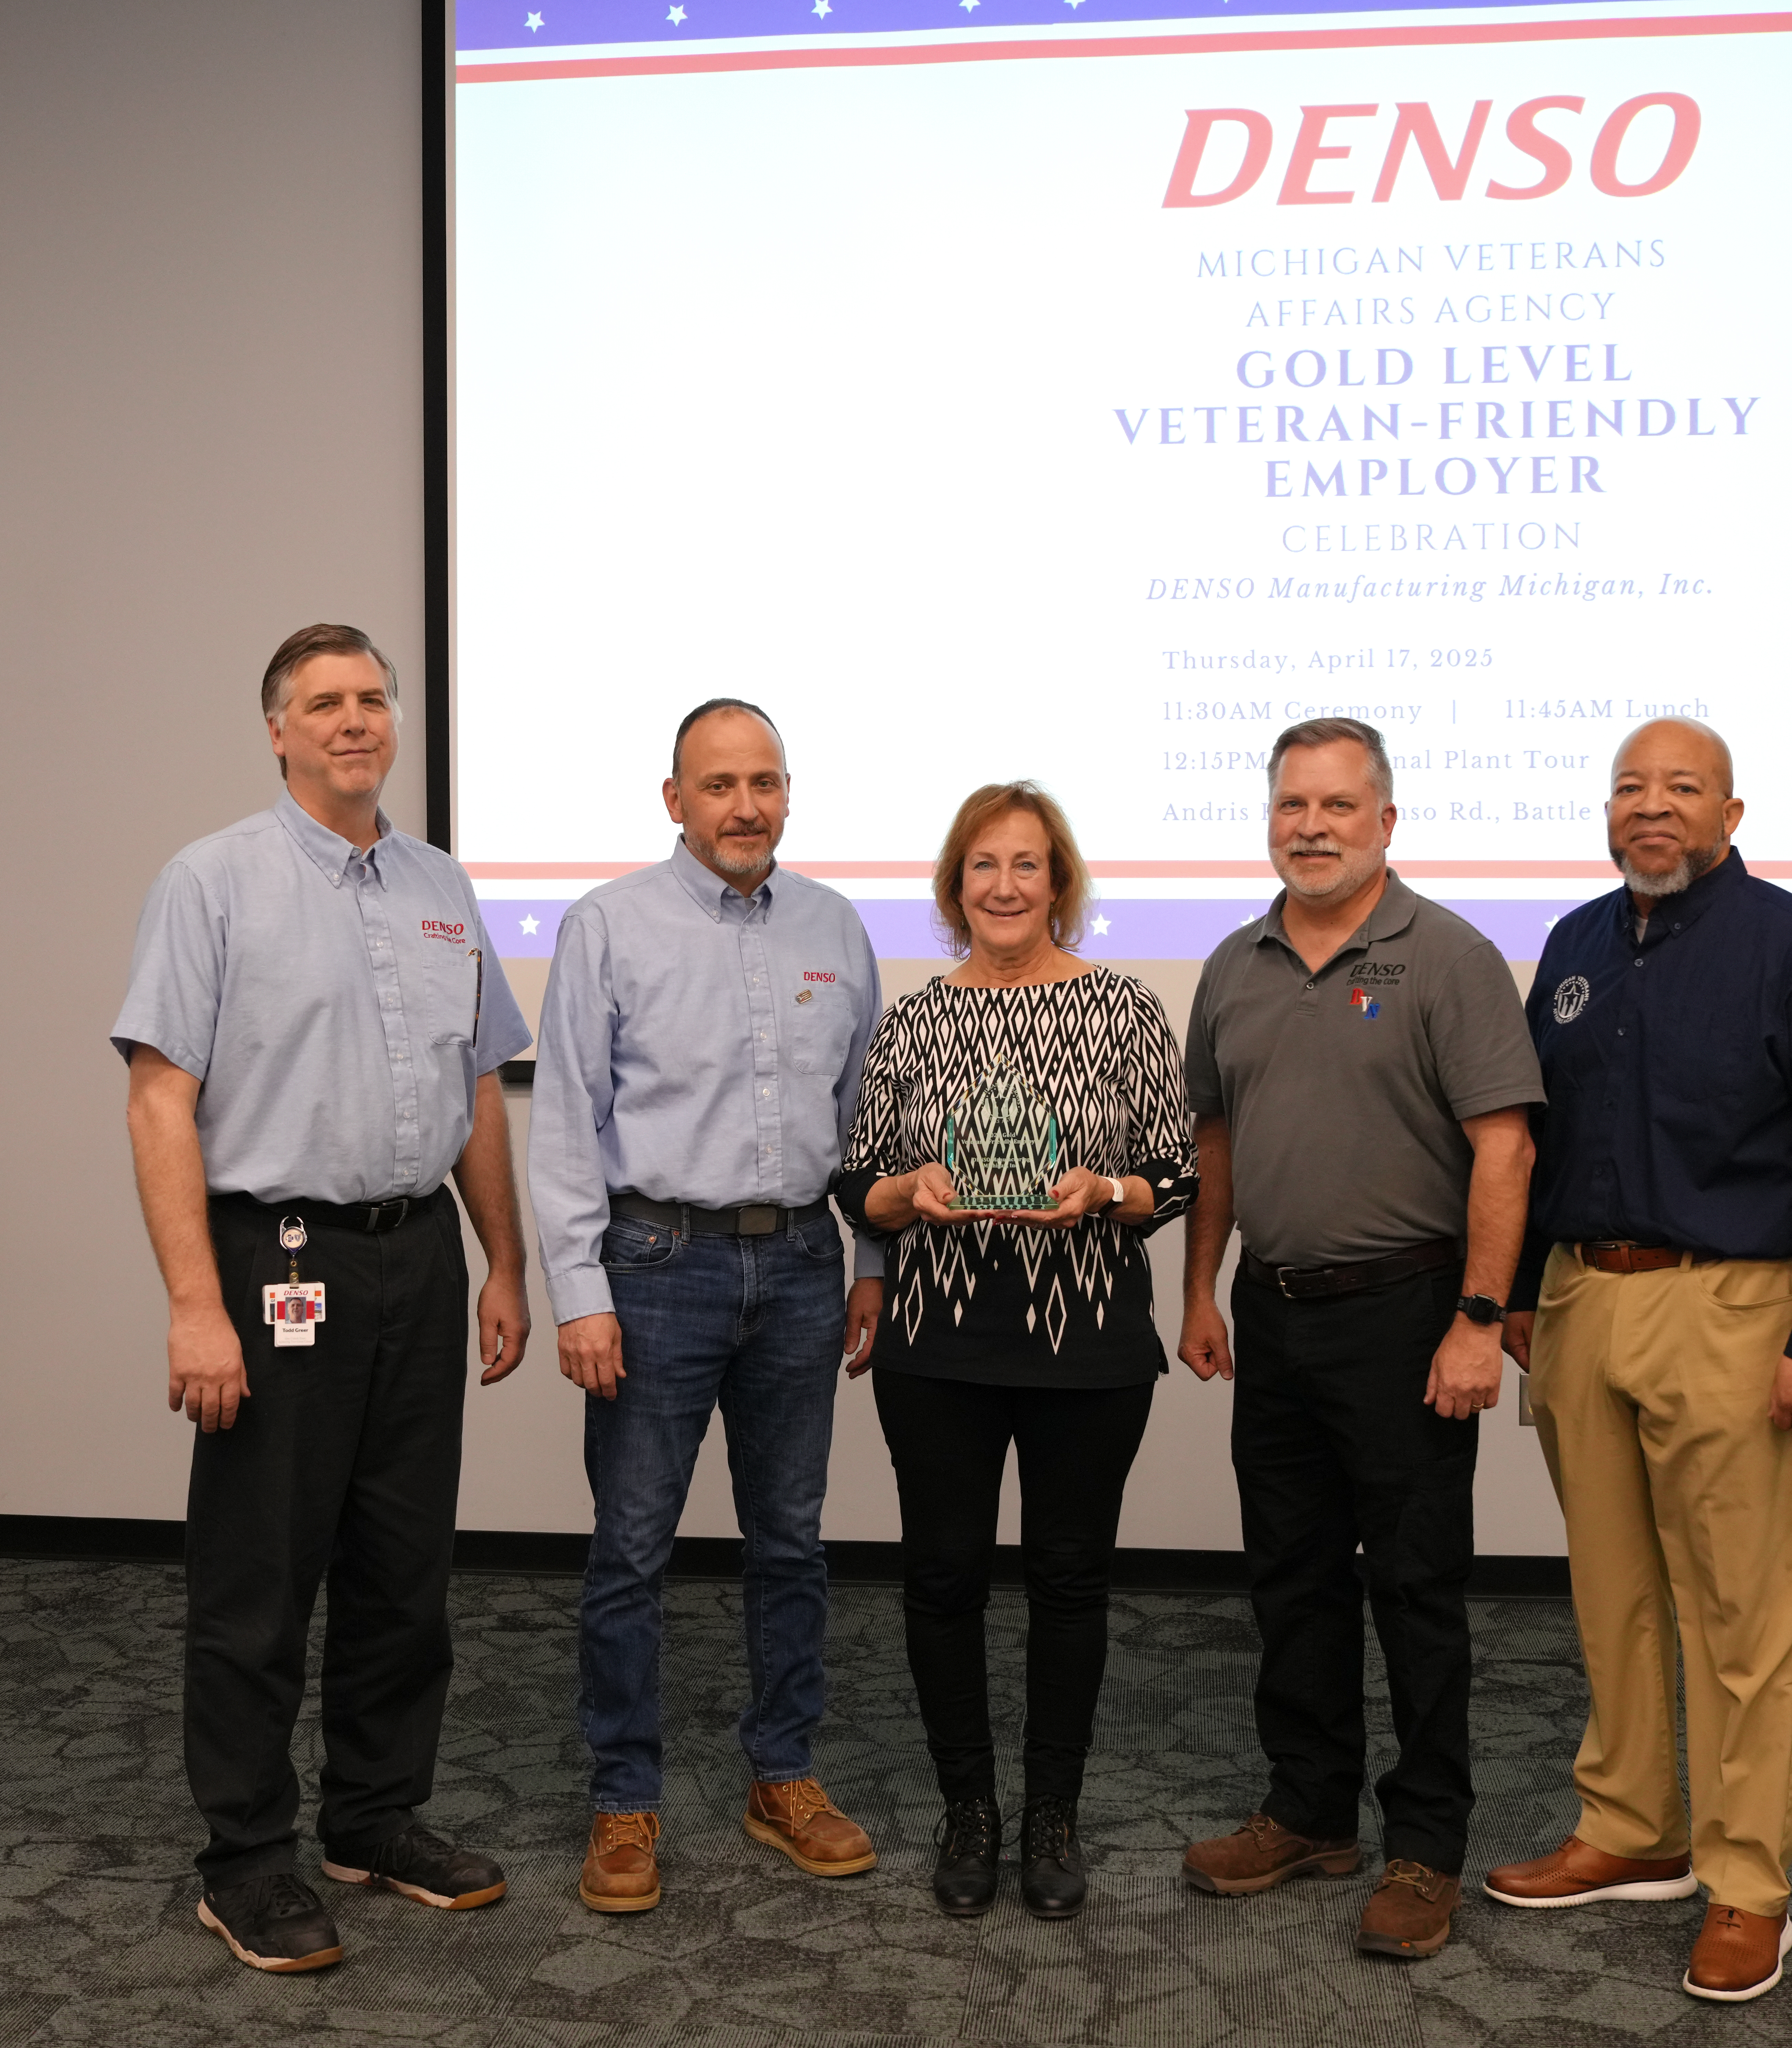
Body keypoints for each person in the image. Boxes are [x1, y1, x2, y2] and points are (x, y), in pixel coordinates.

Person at [113, 624, 534, 1974]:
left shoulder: (440, 885)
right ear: (280, 729)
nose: (355, 720)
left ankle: (373, 1818)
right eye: (324, 703)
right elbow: (158, 1096)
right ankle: (246, 1859)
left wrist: (505, 1261)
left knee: (404, 1573)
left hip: (418, 1255)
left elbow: (477, 1085)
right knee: (259, 1579)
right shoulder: (211, 881)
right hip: (275, 1257)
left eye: (372, 698)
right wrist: (194, 1301)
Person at [1482, 718, 1792, 2004]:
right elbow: (1533, 1136)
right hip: (1580, 1302)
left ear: (1732, 811)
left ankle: (1746, 1883)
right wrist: (1509, 1293)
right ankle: (1630, 1827)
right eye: (1629, 787)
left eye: (1680, 787)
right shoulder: (1574, 947)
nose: (1651, 807)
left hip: (1734, 1306)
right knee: (1611, 1590)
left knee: (1742, 1615)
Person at [1172, 717, 1543, 1962]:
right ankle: (1311, 1807)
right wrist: (1201, 1289)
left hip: (1410, 1316)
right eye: (1292, 806)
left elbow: (1507, 1144)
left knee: (1417, 1589)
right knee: (1291, 1576)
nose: (1311, 826)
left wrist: (1480, 1321)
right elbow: (1215, 1144)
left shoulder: (1448, 955)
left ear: (1387, 820)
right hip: (1273, 1314)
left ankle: (1425, 1843)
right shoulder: (1234, 964)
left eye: (1337, 805)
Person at [526, 698, 888, 1915]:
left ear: (790, 793)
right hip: (653, 1263)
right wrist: (579, 1291)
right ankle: (623, 1796)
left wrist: (873, 1264)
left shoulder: (836, 927)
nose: (746, 805)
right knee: (631, 1549)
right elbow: (566, 1119)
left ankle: (781, 1773)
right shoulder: (608, 925)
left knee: (791, 1539)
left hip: (797, 1264)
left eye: (766, 782)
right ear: (674, 799)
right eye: (720, 784)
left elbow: (865, 1121)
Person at [835, 782, 1196, 1921]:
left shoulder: (1125, 1010)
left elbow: (1177, 1172)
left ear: (1060, 883)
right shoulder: (913, 1020)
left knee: (1070, 1580)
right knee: (942, 1579)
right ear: (954, 888)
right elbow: (858, 1180)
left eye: (1026, 865)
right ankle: (969, 1810)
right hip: (937, 1344)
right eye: (982, 866)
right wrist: (902, 1193)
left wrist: (1110, 1190)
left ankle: (1052, 1815)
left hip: (1085, 1343)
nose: (1003, 885)